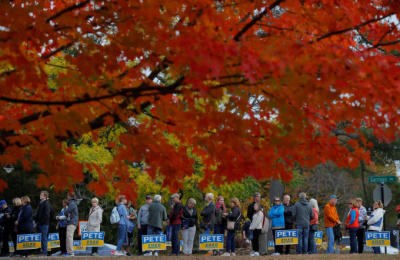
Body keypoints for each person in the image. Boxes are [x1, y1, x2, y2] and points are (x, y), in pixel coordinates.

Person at [35, 191, 52, 256]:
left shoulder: (46, 204)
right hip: (40, 223)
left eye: (41, 195)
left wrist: (41, 221)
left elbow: (47, 215)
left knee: (44, 238)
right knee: (40, 238)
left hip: (44, 224)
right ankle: (41, 251)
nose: (40, 196)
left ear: (45, 196)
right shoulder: (41, 204)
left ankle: (44, 252)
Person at [62, 191, 79, 257]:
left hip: (72, 222)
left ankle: (71, 252)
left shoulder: (72, 203)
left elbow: (66, 212)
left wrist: (66, 212)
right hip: (72, 221)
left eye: (67, 196)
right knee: (68, 237)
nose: (67, 197)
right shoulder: (72, 202)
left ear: (69, 196)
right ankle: (69, 252)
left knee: (69, 237)